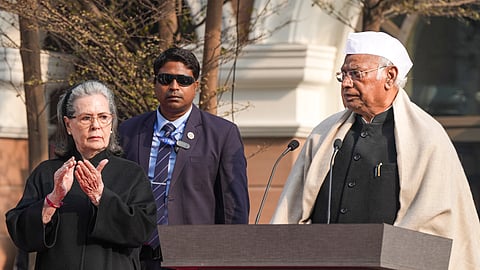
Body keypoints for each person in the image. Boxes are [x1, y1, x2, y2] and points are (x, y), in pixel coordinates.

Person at [271, 31, 480, 269]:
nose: (347, 83)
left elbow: (436, 219)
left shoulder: (426, 137)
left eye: (357, 74)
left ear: (390, 76)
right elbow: (295, 212)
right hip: (322, 262)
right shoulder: (324, 135)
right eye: (344, 75)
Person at [118, 47, 250, 269]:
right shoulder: (129, 131)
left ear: (196, 86)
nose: (174, 87)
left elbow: (233, 206)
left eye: (183, 80)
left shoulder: (221, 134)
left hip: (195, 256)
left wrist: (231, 257)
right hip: (135, 256)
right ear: (155, 83)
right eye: (166, 79)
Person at [6, 80, 157, 270]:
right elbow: (22, 236)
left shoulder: (132, 174)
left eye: (103, 117)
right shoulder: (47, 174)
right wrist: (52, 200)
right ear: (68, 125)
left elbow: (142, 231)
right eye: (86, 118)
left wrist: (101, 197)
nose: (96, 125)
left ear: (112, 123)